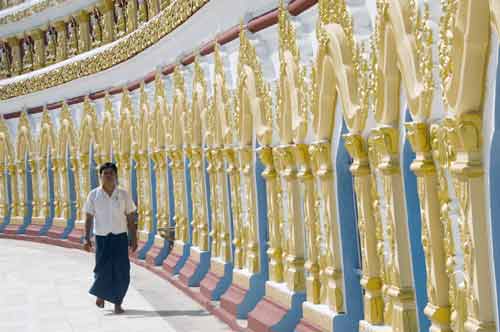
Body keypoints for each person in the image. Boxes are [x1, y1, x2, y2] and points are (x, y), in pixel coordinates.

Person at [83, 162, 138, 314]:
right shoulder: (94, 195)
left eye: (111, 173)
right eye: (105, 173)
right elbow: (88, 217)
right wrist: (86, 238)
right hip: (102, 238)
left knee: (121, 271)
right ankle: (101, 294)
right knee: (102, 270)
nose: (108, 176)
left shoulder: (123, 194)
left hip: (120, 237)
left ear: (116, 176)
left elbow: (130, 217)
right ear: (100, 176)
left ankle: (117, 303)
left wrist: (134, 238)